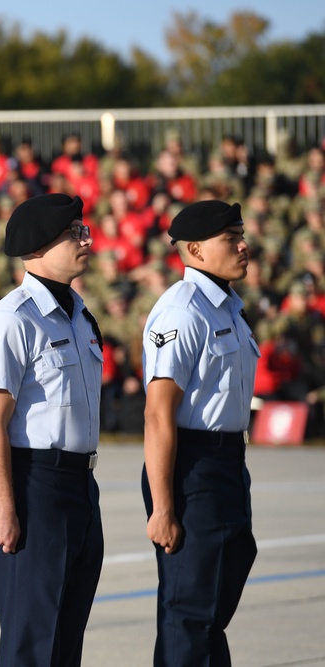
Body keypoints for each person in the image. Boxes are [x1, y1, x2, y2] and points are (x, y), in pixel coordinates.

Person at [0, 193, 104, 666]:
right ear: (37, 246)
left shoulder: (80, 315)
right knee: (33, 639)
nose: (84, 240)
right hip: (35, 485)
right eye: (73, 233)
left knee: (68, 639)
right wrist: (5, 506)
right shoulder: (13, 319)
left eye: (82, 230)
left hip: (79, 484)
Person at [141, 199, 259, 666]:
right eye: (231, 238)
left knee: (214, 603)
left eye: (241, 234)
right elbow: (157, 413)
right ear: (195, 249)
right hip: (191, 467)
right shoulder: (182, 311)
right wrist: (164, 507)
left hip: (228, 462)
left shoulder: (228, 306)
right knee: (188, 610)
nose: (243, 245)